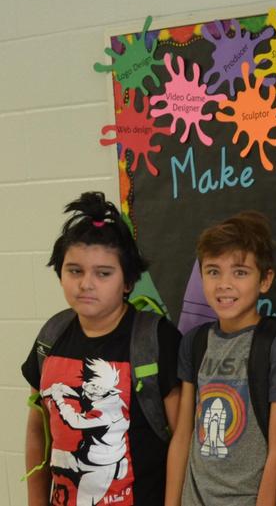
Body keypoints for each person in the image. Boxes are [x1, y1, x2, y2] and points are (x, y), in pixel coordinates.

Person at [22, 191, 182, 506]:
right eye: (75, 270)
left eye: (103, 273)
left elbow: (183, 437)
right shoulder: (51, 337)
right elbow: (36, 431)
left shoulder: (155, 339)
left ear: (127, 281)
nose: (86, 283)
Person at [165, 211, 276, 506]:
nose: (224, 284)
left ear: (265, 280)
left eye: (240, 272)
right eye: (213, 271)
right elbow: (182, 434)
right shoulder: (195, 342)